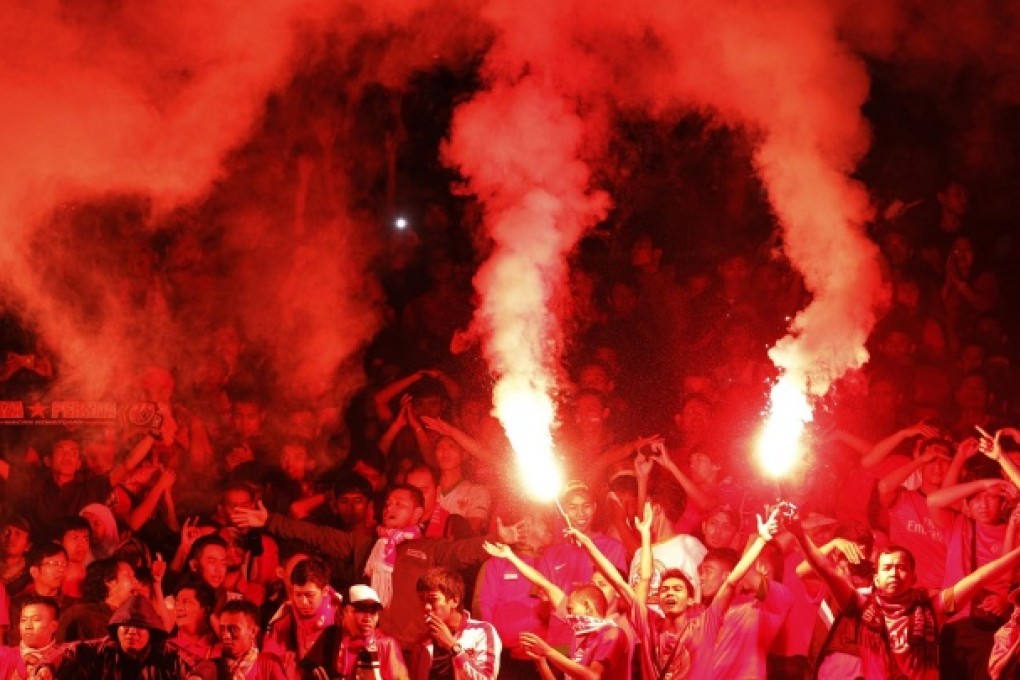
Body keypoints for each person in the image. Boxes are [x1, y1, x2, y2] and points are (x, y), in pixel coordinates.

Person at [788, 506, 1020, 679]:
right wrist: (799, 533)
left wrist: (1016, 554)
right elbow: (825, 571)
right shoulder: (863, 606)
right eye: (887, 568)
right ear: (876, 578)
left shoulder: (932, 606)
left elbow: (979, 578)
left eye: (901, 568)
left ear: (913, 578)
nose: (894, 573)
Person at [50, 594, 186, 679]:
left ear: (151, 632)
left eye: (139, 626)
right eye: (126, 625)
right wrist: (47, 668)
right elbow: (63, 653)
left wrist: (197, 676)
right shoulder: (100, 649)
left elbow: (201, 666)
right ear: (116, 629)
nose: (132, 631)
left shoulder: (167, 654)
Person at [410, 566, 501, 680]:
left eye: (433, 599)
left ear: (455, 600)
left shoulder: (482, 631)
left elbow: (487, 678)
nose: (426, 607)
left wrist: (452, 646)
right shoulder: (423, 641)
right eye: (422, 600)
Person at [304, 584, 409, 679]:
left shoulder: (386, 644)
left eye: (373, 613)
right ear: (342, 612)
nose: (368, 619)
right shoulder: (331, 637)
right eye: (360, 611)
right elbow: (310, 670)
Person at [263, 556, 343, 670]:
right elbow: (269, 662)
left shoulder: (341, 614)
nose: (303, 602)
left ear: (325, 591)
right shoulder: (286, 615)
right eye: (298, 595)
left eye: (309, 595)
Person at [188, 599, 288, 680]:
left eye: (233, 629)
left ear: (253, 632)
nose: (226, 635)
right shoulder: (214, 665)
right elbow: (203, 671)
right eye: (223, 629)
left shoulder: (269, 663)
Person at [56, 558, 137, 642]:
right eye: (128, 575)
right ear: (109, 582)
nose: (135, 581)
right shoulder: (87, 617)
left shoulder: (125, 616)